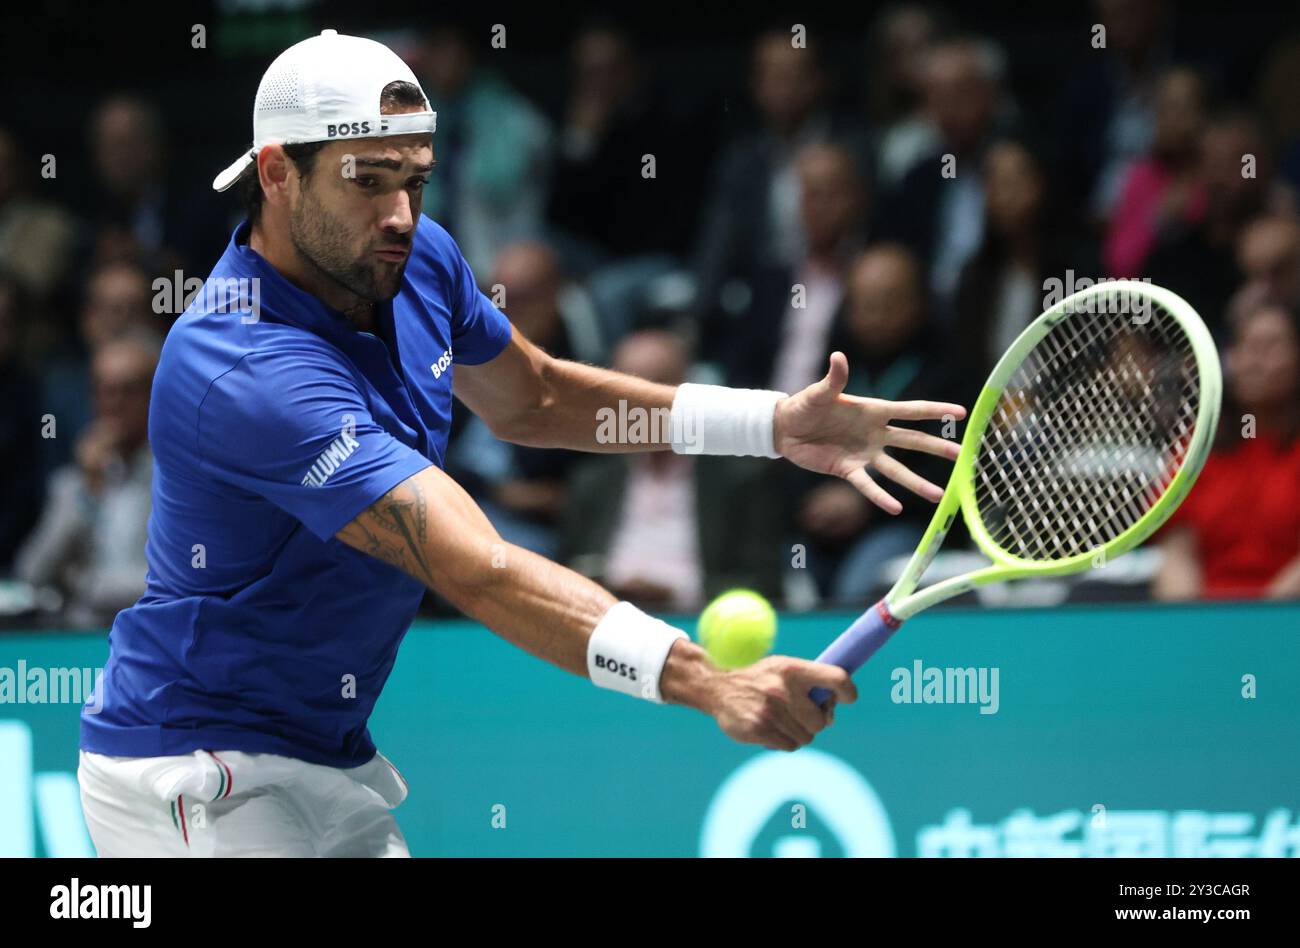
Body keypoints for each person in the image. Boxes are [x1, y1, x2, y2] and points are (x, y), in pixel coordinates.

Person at [76, 30, 965, 858]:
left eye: (415, 179)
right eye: (369, 179)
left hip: (330, 758)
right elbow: (478, 568)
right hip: (194, 773)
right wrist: (705, 680)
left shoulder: (413, 258)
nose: (400, 212)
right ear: (277, 175)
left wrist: (772, 424)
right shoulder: (242, 366)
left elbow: (533, 398)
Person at [1154, 301, 1300, 600]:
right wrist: (1192, 624)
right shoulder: (1199, 445)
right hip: (1209, 623)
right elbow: (1178, 552)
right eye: (1244, 346)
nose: (1253, 360)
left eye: (1270, 346)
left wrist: (1259, 621)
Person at [15, 332, 159, 625]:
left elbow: (172, 581)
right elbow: (31, 575)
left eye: (127, 390)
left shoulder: (177, 480)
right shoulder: (72, 481)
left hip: (153, 636)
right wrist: (87, 490)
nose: (114, 403)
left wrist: (85, 586)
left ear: (154, 394)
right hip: (79, 646)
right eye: (105, 390)